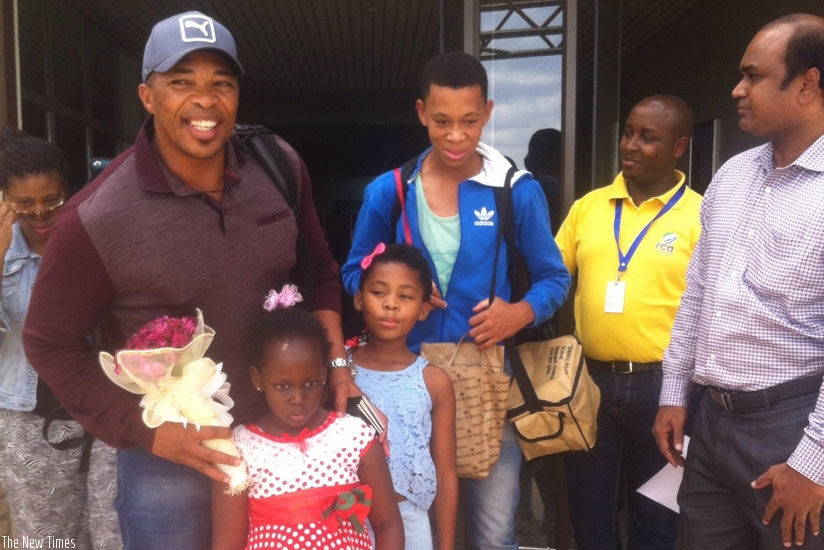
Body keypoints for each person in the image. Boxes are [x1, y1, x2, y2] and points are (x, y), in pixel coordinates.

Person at [22, 11, 356, 550]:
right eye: (181, 83)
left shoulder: (279, 166)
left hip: (285, 430)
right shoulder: (96, 218)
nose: (205, 100)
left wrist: (337, 365)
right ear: (148, 96)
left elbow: (320, 270)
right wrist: (146, 432)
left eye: (220, 83)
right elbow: (48, 341)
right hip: (175, 460)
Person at [341, 51, 571, 549]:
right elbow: (353, 271)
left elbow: (555, 278)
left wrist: (520, 313)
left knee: (492, 532)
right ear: (422, 112)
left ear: (487, 113)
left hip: (485, 379)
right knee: (401, 519)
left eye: (469, 121)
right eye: (441, 121)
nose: (455, 136)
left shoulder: (514, 189)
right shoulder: (391, 191)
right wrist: (400, 295)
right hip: (405, 384)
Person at [652, 13, 824, 550]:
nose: (737, 90)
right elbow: (698, 293)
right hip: (712, 424)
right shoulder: (731, 175)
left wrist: (813, 463)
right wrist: (674, 392)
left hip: (792, 425)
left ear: (808, 84)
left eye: (753, 76)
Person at [555, 94, 701, 550]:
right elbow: (552, 279)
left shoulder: (702, 214)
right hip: (591, 384)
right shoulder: (588, 208)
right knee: (589, 514)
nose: (630, 145)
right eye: (628, 132)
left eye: (648, 137)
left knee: (656, 517)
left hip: (667, 391)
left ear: (679, 146)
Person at [0, 128, 123, 549]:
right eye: (26, 206)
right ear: (5, 201)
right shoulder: (4, 253)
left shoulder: (90, 238)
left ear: (66, 190)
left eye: (51, 202)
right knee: (45, 542)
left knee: (112, 536)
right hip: (29, 423)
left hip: (103, 414)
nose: (41, 216)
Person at [212, 304, 403, 549]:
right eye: (283, 386)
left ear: (325, 373)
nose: (298, 398)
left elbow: (389, 526)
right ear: (258, 379)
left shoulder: (354, 437)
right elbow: (226, 544)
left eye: (311, 383)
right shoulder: (239, 452)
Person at [349, 243, 457, 550]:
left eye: (405, 296)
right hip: (346, 518)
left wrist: (446, 545)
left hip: (411, 521)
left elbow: (446, 472)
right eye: (379, 292)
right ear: (358, 298)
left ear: (424, 308)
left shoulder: (434, 381)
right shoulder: (340, 374)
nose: (391, 304)